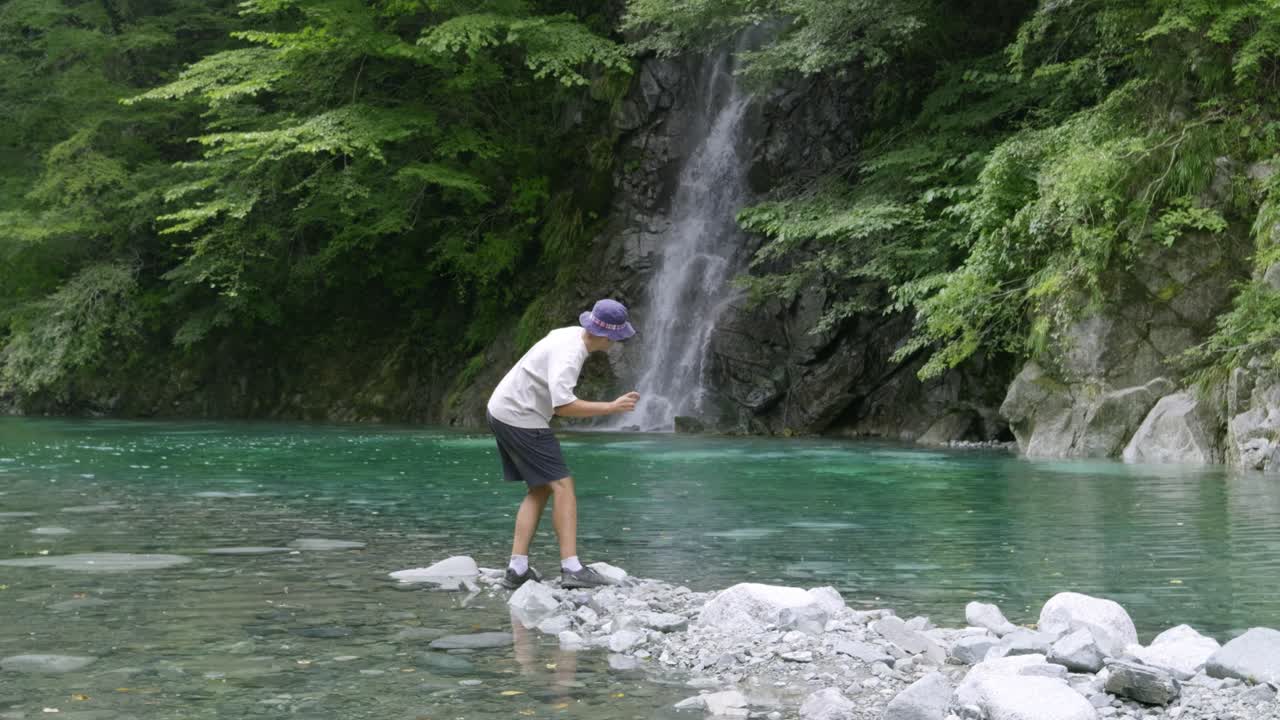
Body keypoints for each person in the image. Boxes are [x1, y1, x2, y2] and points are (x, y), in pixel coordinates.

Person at [486, 298, 640, 589]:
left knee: (542, 486)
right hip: (520, 415)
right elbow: (563, 406)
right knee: (563, 485)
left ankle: (517, 569)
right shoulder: (571, 354)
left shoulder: (567, 334)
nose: (617, 343)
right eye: (617, 337)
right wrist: (611, 407)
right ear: (606, 336)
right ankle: (572, 568)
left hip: (502, 409)